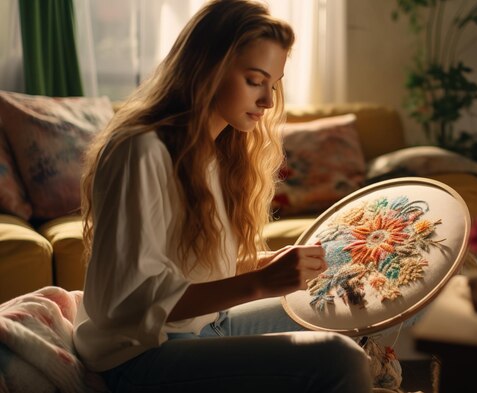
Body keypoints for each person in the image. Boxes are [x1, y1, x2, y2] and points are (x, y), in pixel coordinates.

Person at [73, 1, 373, 392]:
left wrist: (260, 264)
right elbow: (129, 301)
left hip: (204, 326)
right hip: (139, 355)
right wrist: (261, 283)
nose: (267, 101)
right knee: (338, 358)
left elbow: (186, 270)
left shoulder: (217, 154)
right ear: (207, 69)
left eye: (274, 84)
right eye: (254, 80)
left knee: (358, 309)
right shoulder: (143, 150)